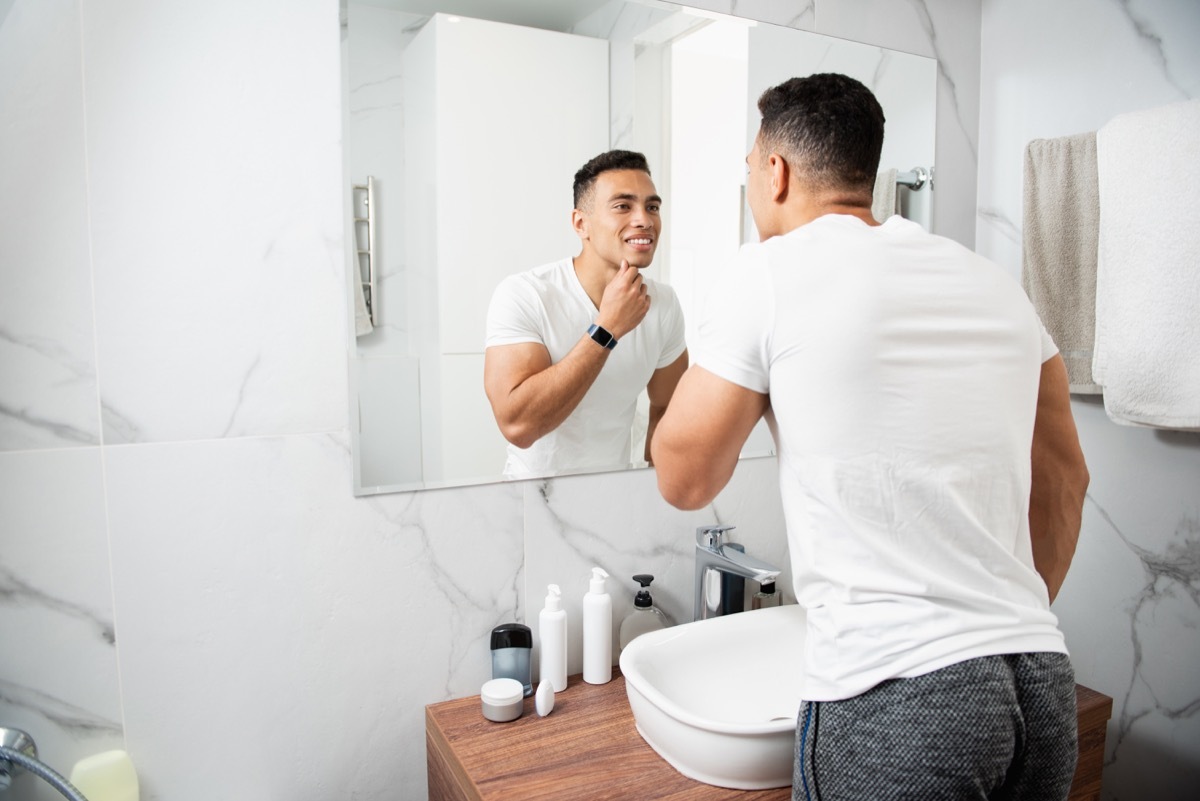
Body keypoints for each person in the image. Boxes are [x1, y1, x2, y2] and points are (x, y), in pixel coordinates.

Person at [652, 74, 1089, 800]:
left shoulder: (767, 273)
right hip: (1039, 682)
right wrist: (986, 625)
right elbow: (1066, 477)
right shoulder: (996, 286)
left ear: (775, 171)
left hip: (899, 694)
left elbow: (683, 478)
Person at [485, 150, 688, 479]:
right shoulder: (525, 294)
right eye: (623, 206)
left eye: (652, 206)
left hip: (614, 499)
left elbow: (667, 409)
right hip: (532, 504)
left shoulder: (663, 303)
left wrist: (653, 494)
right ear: (582, 224)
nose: (645, 219)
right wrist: (607, 327)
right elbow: (518, 425)